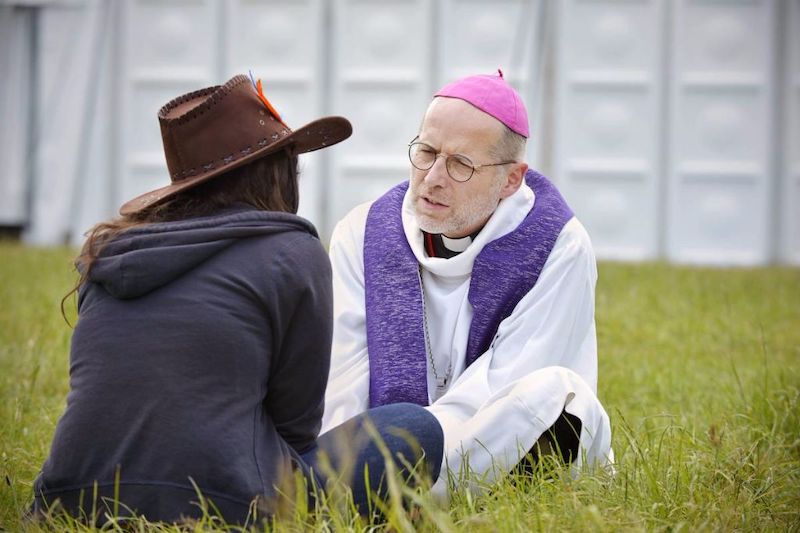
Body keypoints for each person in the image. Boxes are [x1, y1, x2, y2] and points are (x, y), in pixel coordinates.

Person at [31, 74, 443, 525]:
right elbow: (296, 428)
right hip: (226, 505)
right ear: (275, 172)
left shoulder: (111, 255)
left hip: (67, 500)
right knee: (412, 427)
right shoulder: (292, 252)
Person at [322, 70, 613, 497]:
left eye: (460, 164)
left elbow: (507, 389)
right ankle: (354, 482)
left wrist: (412, 444)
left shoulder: (557, 244)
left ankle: (391, 490)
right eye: (426, 152)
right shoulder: (363, 232)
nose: (433, 178)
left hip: (492, 442)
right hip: (385, 444)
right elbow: (344, 374)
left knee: (558, 392)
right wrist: (341, 452)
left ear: (511, 179)